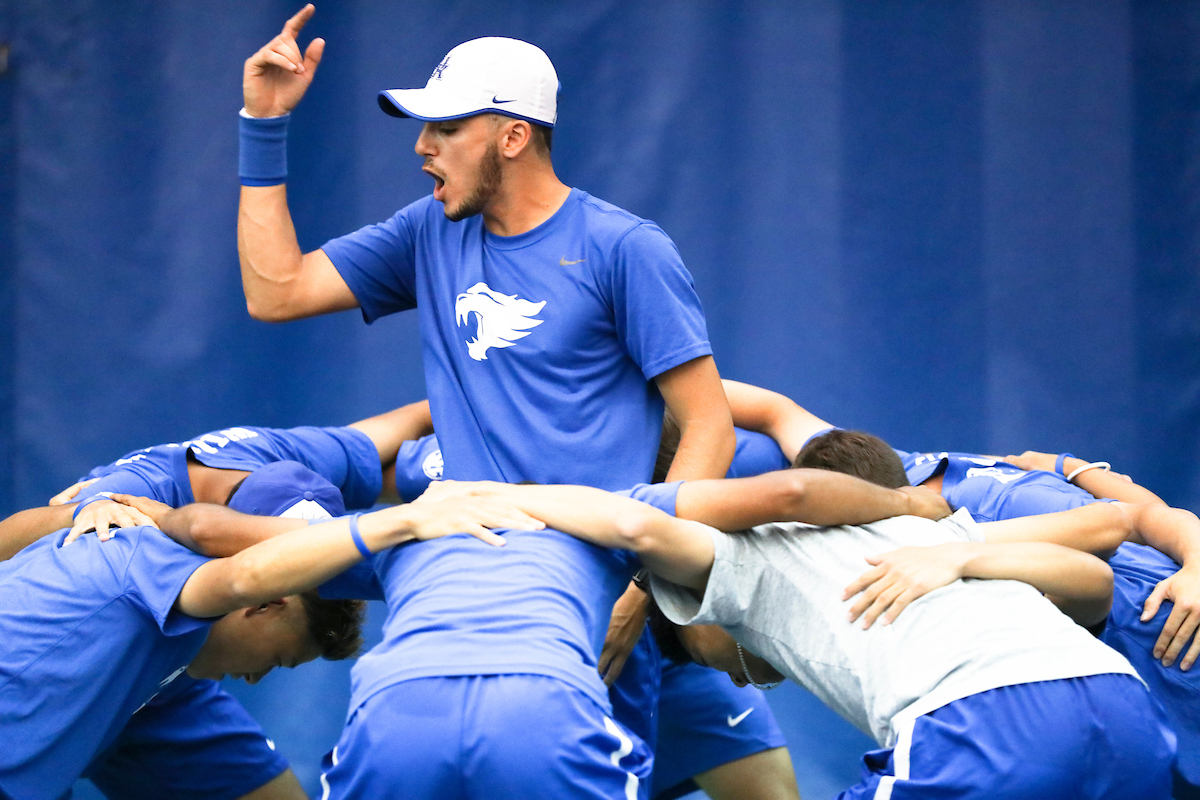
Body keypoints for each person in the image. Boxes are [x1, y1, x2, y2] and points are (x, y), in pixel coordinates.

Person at [108, 459, 946, 799]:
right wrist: (909, 502)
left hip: (399, 709)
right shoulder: (609, 507)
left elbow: (220, 538)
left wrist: (137, 512)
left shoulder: (410, 520)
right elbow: (787, 497)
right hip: (542, 705)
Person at [236, 6, 736, 491]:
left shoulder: (625, 248)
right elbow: (276, 293)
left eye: (447, 129)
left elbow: (709, 429)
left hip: (588, 559)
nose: (422, 145)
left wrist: (649, 576)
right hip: (466, 546)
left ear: (514, 137)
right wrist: (262, 123)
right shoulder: (428, 229)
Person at [434, 479, 1177, 799]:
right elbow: (1095, 580)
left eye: (702, 643)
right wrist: (964, 552)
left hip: (987, 719)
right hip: (1128, 713)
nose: (738, 679)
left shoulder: (749, 563)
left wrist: (493, 496)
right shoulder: (926, 534)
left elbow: (634, 526)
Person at [795, 428, 1200, 798]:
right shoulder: (952, 542)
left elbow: (1131, 518)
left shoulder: (974, 529)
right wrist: (1074, 469)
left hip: (1166, 654)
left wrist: (1197, 562)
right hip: (1137, 703)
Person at [74, 462, 352, 800]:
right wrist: (84, 506)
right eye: (276, 660)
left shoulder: (324, 454)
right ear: (264, 601)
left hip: (170, 699)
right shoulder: (121, 544)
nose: (254, 679)